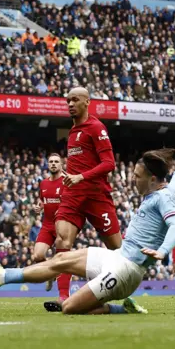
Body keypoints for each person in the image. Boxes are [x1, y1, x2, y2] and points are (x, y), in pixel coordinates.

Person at [0, 150, 175, 315]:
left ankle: (121, 309)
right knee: (60, 258)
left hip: (126, 271)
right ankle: (2, 275)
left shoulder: (163, 198)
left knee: (69, 308)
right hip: (117, 256)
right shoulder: (163, 190)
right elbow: (172, 184)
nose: (133, 180)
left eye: (137, 177)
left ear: (153, 179)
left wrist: (163, 250)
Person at [46, 87, 121, 311]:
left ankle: (118, 291)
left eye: (75, 100)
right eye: (67, 100)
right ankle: (63, 297)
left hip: (96, 195)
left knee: (118, 251)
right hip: (72, 195)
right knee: (62, 241)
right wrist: (74, 179)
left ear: (87, 102)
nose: (69, 104)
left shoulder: (96, 128)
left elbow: (109, 164)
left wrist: (81, 177)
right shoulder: (72, 130)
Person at [32, 153, 64, 291]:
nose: (53, 164)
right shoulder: (43, 183)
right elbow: (42, 200)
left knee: (62, 258)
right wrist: (39, 207)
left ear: (61, 164)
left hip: (62, 226)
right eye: (51, 161)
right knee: (37, 256)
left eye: (56, 161)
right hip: (47, 225)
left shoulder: (66, 181)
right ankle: (50, 275)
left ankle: (63, 292)